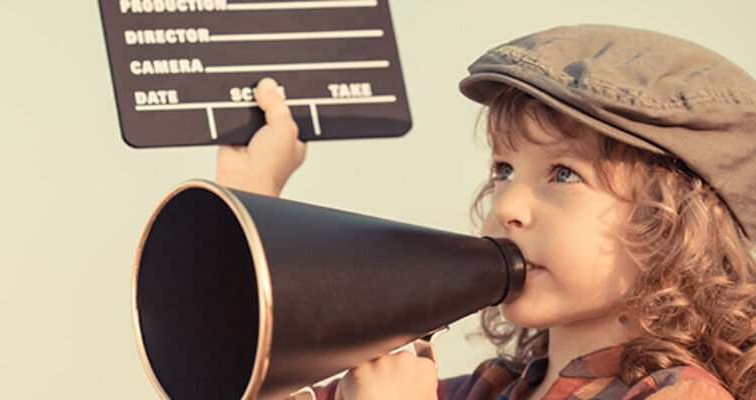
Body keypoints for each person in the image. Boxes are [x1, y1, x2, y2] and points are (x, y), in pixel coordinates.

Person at [217, 25, 756, 399]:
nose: (508, 206)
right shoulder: (491, 388)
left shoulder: (679, 395)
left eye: (564, 174)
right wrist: (253, 203)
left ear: (676, 229)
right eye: (502, 170)